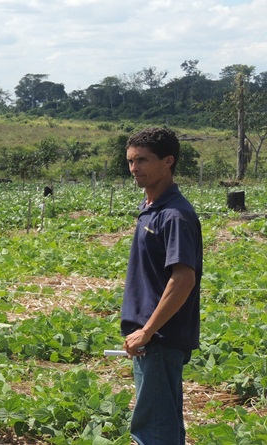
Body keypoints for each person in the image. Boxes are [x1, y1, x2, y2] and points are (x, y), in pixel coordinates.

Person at [121, 127, 203, 445]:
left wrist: (148, 331)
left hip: (160, 338)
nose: (134, 168)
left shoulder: (174, 215)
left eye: (142, 160)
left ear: (168, 161)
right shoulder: (151, 209)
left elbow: (183, 279)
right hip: (152, 338)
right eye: (131, 160)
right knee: (160, 425)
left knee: (154, 431)